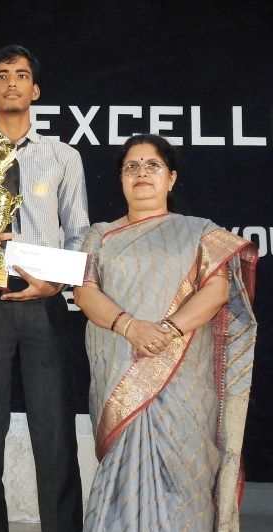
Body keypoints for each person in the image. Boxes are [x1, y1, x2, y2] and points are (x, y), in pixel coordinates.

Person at [74, 134, 257, 530]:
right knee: (121, 474)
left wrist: (168, 330)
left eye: (152, 165)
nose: (141, 173)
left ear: (171, 178)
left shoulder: (200, 231)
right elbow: (84, 292)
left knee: (184, 471)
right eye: (132, 167)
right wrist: (130, 327)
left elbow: (217, 290)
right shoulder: (99, 234)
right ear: (121, 180)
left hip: (184, 377)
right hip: (120, 370)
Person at [0, 45, 86, 531]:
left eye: (21, 75)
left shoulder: (63, 156)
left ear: (35, 90)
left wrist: (56, 282)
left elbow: (79, 232)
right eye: (2, 76)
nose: (11, 83)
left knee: (55, 432)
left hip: (45, 303)